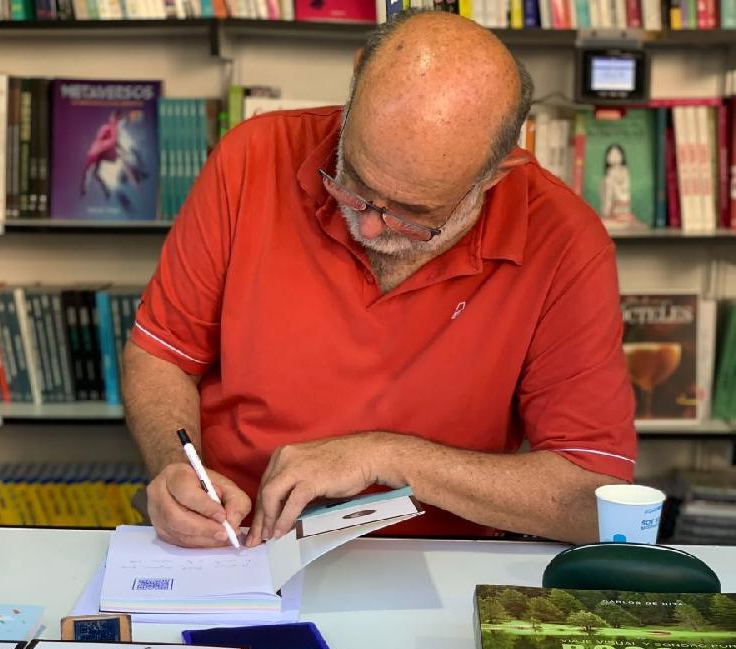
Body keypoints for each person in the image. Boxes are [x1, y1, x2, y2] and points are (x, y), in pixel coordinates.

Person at [122, 10, 636, 550]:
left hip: (438, 555)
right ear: (357, 80)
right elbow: (161, 356)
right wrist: (176, 468)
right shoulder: (251, 158)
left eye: (414, 213)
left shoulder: (563, 238)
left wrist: (386, 456)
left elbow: (595, 500)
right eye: (353, 181)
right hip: (238, 543)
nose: (368, 224)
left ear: (498, 171)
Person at [599, 143, 644, 230]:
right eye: (611, 154)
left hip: (621, 208)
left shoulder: (624, 172)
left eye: (617, 154)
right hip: (611, 210)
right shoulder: (608, 175)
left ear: (622, 156)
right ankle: (608, 214)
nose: (614, 156)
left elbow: (622, 191)